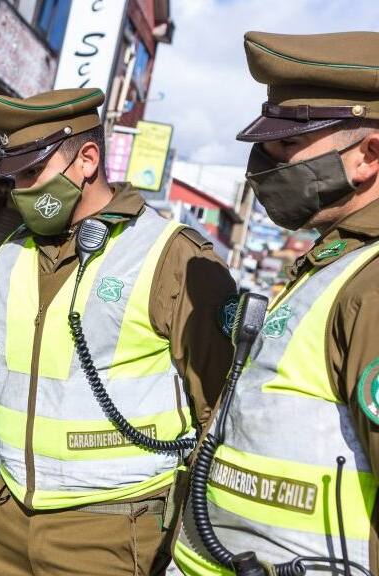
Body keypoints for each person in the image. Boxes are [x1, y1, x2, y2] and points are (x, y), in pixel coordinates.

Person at [0, 87, 236, 575]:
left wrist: (195, 550)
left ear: (87, 159)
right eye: (15, 176)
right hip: (9, 519)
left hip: (113, 531)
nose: (21, 189)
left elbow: (219, 414)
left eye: (34, 172)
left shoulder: (172, 256)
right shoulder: (7, 255)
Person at [173, 31, 379, 576]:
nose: (263, 162)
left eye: (286, 146)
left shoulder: (373, 285)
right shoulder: (334, 261)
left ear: (369, 156)